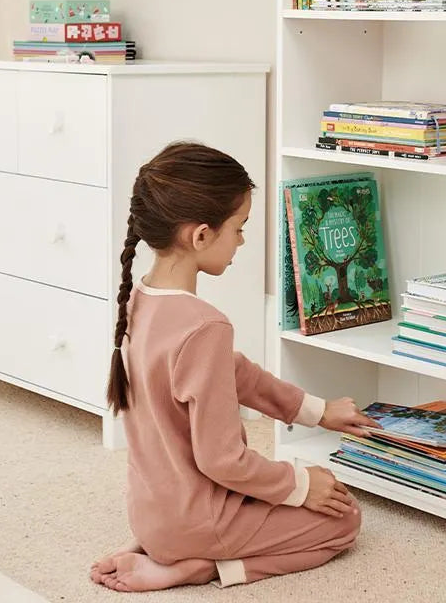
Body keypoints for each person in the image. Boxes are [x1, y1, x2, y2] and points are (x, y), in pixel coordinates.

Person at [90, 141, 378, 592]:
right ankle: (199, 568)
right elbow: (224, 461)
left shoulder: (139, 299)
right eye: (239, 229)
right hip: (200, 521)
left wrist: (317, 411)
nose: (242, 242)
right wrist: (301, 484)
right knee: (344, 520)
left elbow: (232, 372)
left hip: (151, 516)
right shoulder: (204, 326)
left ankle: (166, 549)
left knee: (296, 501)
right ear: (201, 235)